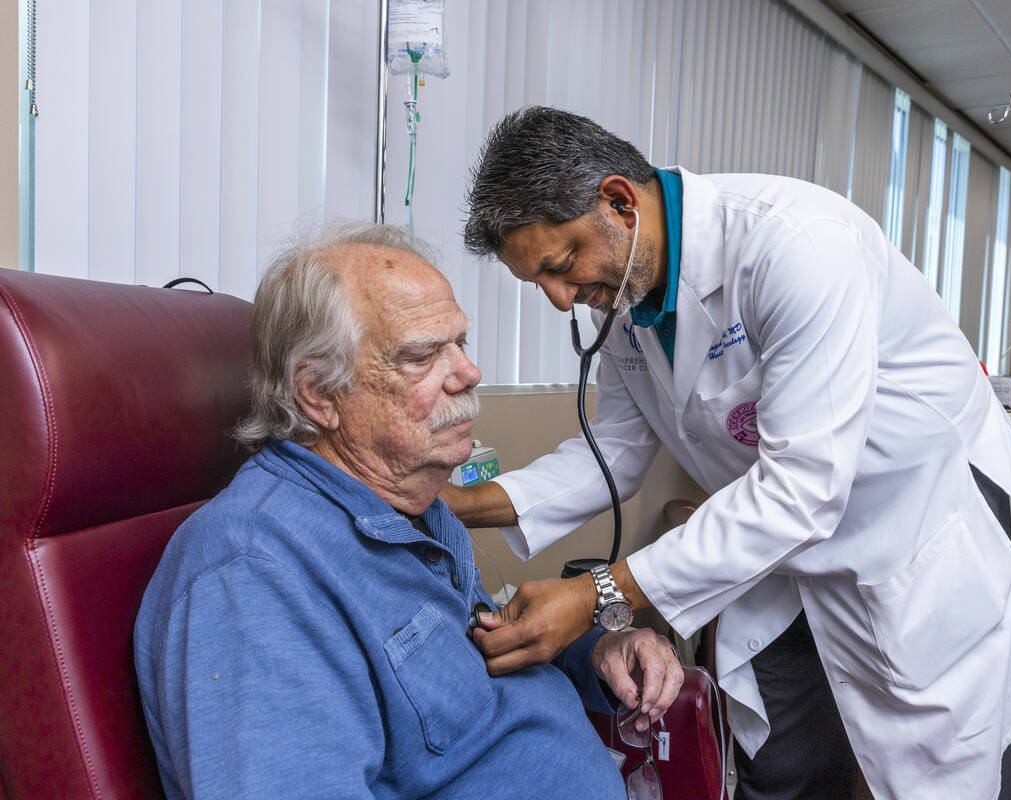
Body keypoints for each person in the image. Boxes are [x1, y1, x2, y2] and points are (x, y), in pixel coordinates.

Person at [442, 107, 1011, 800]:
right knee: (783, 768)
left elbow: (803, 489)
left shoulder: (799, 246)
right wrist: (450, 502)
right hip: (777, 554)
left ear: (618, 201)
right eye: (538, 283)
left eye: (562, 265)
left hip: (915, 533)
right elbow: (614, 453)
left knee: (956, 771)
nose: (560, 299)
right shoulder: (631, 306)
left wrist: (596, 594)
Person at [133, 222, 683, 800]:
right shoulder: (254, 577)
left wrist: (593, 652)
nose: (469, 375)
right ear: (319, 394)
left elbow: (449, 686)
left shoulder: (413, 508)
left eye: (460, 345)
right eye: (422, 356)